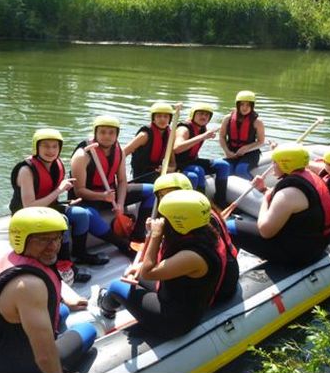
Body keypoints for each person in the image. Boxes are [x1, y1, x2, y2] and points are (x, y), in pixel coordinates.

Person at [0, 207, 97, 373]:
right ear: (21, 239)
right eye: (43, 240)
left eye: (57, 238)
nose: (53, 247)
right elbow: (44, 357)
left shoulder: (11, 258)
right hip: (15, 368)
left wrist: (65, 296)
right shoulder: (29, 286)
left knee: (63, 310)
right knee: (88, 330)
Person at [97, 190, 231, 338]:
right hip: (180, 297)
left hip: (173, 319)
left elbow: (148, 272)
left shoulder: (192, 256)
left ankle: (105, 309)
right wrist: (141, 266)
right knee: (134, 273)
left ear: (178, 222)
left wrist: (155, 235)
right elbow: (163, 262)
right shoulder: (204, 232)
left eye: (164, 217)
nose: (160, 220)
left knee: (116, 286)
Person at [226, 143, 330, 267]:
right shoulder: (311, 176)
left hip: (299, 253)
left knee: (228, 227)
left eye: (275, 163)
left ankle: (228, 270)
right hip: (316, 242)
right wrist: (263, 189)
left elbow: (265, 231)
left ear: (285, 165)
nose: (273, 166)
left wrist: (266, 199)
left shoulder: (289, 193)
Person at [9, 128, 97, 280]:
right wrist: (59, 190)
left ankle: (80, 253)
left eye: (54, 146)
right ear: (36, 147)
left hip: (48, 208)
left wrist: (66, 201)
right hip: (26, 215)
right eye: (46, 146)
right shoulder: (26, 170)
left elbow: (49, 197)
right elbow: (29, 207)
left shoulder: (56, 165)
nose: (51, 150)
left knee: (81, 214)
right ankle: (63, 266)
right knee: (62, 221)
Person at [69, 115, 155, 254]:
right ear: (95, 133)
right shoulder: (82, 156)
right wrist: (102, 196)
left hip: (111, 194)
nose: (107, 136)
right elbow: (79, 191)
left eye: (111, 133)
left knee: (152, 190)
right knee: (88, 214)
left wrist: (120, 203)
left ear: (116, 134)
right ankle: (121, 244)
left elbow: (122, 181)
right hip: (88, 198)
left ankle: (138, 235)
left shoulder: (118, 151)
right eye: (102, 132)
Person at [153, 173, 239, 303]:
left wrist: (154, 236)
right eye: (161, 196)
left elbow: (150, 272)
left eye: (171, 194)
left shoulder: (194, 223)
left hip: (220, 284)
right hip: (221, 272)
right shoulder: (201, 211)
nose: (166, 199)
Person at [173, 103, 230, 207]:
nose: (204, 117)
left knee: (223, 165)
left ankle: (220, 201)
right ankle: (200, 205)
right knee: (198, 171)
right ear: (193, 115)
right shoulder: (184, 129)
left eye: (207, 115)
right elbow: (177, 149)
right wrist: (203, 136)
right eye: (200, 114)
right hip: (178, 164)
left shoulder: (202, 128)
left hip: (192, 161)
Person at [123, 102, 177, 184]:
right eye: (158, 116)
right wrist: (120, 176)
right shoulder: (144, 135)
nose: (162, 119)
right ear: (153, 118)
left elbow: (173, 165)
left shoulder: (170, 136)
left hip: (156, 173)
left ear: (170, 119)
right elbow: (122, 153)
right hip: (140, 175)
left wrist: (167, 169)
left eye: (166, 116)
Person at [219, 90, 266, 180]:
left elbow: (261, 142)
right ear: (238, 105)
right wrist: (227, 152)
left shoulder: (258, 122)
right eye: (242, 104)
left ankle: (257, 188)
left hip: (250, 153)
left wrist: (246, 148)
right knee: (225, 169)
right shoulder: (227, 119)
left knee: (241, 170)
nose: (245, 108)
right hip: (231, 152)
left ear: (252, 106)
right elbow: (221, 137)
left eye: (248, 105)